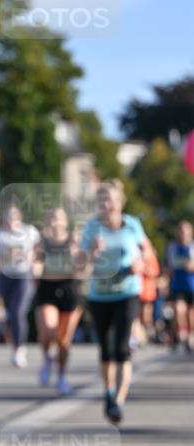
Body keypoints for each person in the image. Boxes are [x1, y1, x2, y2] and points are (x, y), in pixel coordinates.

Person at [77, 179, 148, 424]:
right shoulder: (92, 228)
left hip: (127, 293)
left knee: (121, 349)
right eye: (101, 201)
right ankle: (108, 392)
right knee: (105, 350)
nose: (105, 205)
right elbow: (78, 263)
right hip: (100, 295)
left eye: (110, 200)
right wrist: (90, 254)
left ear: (120, 203)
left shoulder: (132, 225)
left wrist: (141, 263)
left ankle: (119, 401)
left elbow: (147, 253)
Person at [33, 207, 82, 395]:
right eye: (51, 218)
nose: (55, 222)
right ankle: (47, 358)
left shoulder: (73, 240)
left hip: (69, 289)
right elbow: (35, 263)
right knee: (48, 330)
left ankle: (62, 376)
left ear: (65, 222)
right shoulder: (42, 242)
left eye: (58, 218)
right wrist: (35, 268)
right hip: (47, 289)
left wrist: (76, 254)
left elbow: (80, 267)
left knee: (64, 341)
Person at [0, 205, 40, 368]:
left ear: (20, 217)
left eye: (14, 217)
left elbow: (41, 249)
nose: (11, 221)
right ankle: (14, 345)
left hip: (23, 275)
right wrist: (3, 256)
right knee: (9, 312)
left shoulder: (29, 231)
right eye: (8, 217)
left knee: (18, 310)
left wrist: (35, 259)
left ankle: (20, 348)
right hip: (5, 276)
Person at [165, 220, 194, 352]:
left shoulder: (192, 248)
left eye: (185, 231)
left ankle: (190, 336)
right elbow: (166, 266)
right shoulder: (172, 248)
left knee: (190, 315)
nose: (183, 234)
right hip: (177, 285)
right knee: (178, 311)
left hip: (191, 285)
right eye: (180, 230)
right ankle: (178, 335)